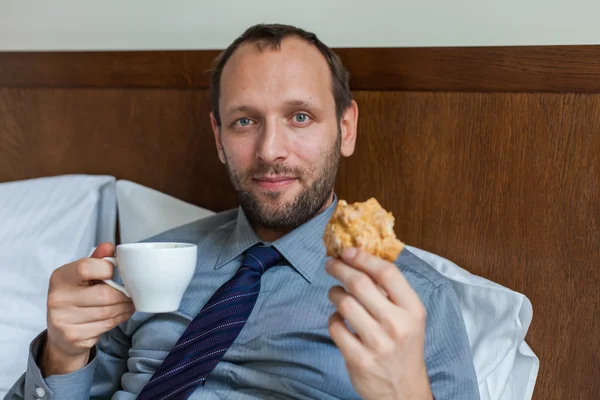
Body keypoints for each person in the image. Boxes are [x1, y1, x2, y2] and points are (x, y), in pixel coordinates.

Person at [6, 24, 479, 400]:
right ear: (218, 138)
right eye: (245, 121)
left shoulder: (415, 301)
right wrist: (62, 355)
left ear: (346, 128)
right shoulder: (145, 265)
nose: (271, 150)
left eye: (300, 117)